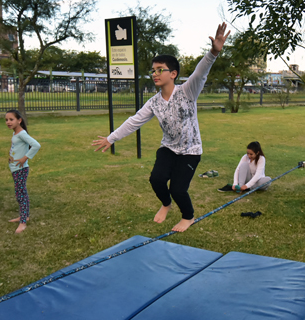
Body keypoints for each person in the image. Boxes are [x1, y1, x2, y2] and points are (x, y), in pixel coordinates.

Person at [92, 23, 230, 233]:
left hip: (190, 152)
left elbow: (200, 73)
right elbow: (134, 121)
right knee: (156, 180)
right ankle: (166, 204)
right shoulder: (154, 102)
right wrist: (111, 138)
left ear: (173, 73)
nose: (155, 74)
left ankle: (188, 216)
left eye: (160, 70)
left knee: (178, 189)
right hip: (168, 148)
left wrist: (213, 52)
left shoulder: (188, 91)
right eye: (153, 71)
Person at [5, 110, 40, 234]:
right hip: (15, 168)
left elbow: (36, 145)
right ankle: (24, 215)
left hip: (20, 169)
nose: (8, 122)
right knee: (19, 193)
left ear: (19, 120)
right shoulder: (16, 133)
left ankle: (23, 222)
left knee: (21, 194)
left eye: (11, 119)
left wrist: (25, 158)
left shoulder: (21, 134)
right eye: (6, 120)